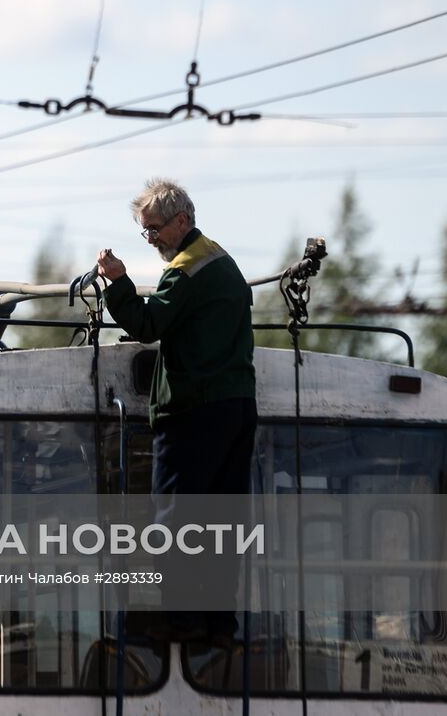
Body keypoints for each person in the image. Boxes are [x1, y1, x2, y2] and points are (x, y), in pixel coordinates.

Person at [96, 178, 256, 646]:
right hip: (237, 407)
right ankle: (220, 624)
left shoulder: (185, 270)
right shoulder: (221, 259)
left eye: (154, 229)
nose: (151, 238)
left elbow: (148, 324)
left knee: (175, 520)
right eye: (146, 231)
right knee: (223, 523)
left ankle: (183, 619)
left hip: (192, 412)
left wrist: (118, 282)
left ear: (182, 220)